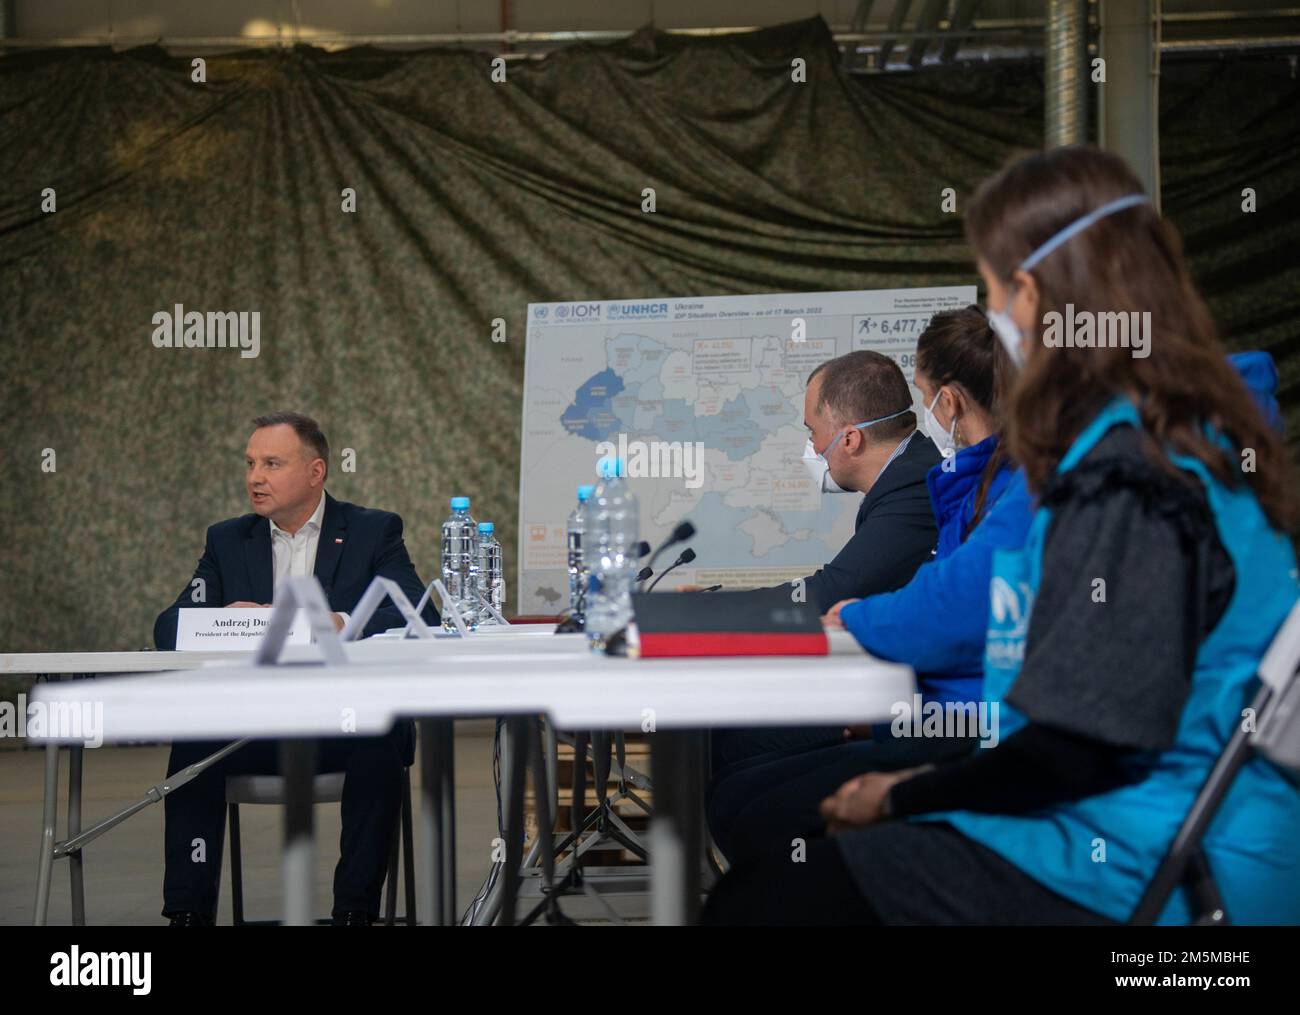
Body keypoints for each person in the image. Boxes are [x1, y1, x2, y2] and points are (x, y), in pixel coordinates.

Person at [703, 145, 1300, 925]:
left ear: (1032, 294)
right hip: (1127, 830)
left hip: (1151, 872)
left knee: (765, 901)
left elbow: (1079, 744)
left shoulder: (1135, 473)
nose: (998, 325)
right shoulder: (1171, 436)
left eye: (994, 294)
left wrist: (899, 793)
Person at [707, 307, 1026, 863]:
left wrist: (861, 642)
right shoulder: (962, 483)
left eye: (928, 397)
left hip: (957, 724)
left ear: (949, 402)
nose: (926, 413)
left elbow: (869, 601)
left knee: (748, 788)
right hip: (930, 707)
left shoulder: (955, 489)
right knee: (739, 772)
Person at [155, 411, 439, 926]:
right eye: (249, 463)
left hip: (340, 723)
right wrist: (218, 621)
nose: (254, 477)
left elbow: (419, 613)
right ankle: (187, 914)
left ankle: (354, 912)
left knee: (384, 733)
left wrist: (342, 620)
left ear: (316, 472)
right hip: (253, 729)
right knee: (193, 740)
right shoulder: (227, 541)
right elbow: (167, 628)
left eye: (271, 463)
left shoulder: (373, 531)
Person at [710, 350, 941, 769]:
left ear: (850, 439)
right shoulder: (906, 475)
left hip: (918, 708)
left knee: (734, 740)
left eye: (813, 432)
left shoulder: (915, 487)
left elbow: (833, 592)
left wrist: (718, 609)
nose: (813, 447)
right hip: (896, 685)